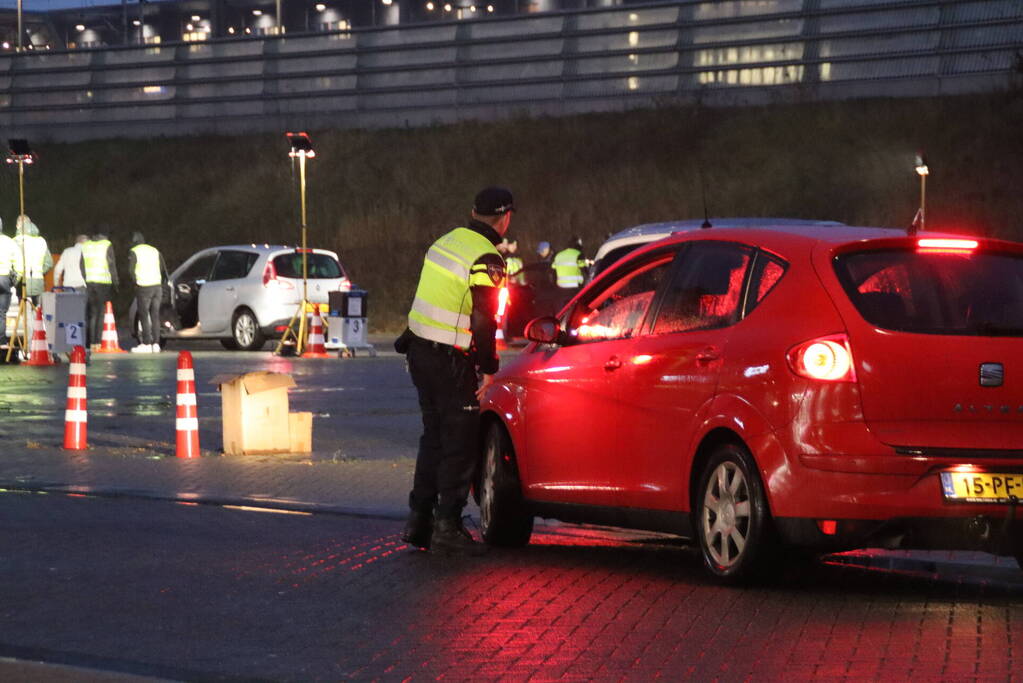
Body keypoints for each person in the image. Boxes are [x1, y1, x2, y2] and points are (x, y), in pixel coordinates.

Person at [395, 186, 513, 555]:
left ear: (474, 212)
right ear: (505, 218)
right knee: (459, 444)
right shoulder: (487, 257)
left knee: (433, 437)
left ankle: (419, 522)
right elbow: (483, 318)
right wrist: (488, 368)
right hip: (449, 358)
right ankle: (447, 524)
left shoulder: (445, 241)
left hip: (418, 351)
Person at [128, 231, 167, 353]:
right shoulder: (154, 250)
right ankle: (156, 343)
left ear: (134, 242)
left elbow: (130, 270)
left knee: (144, 315)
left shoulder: (134, 251)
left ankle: (146, 344)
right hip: (157, 286)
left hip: (144, 286)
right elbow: (163, 268)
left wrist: (136, 282)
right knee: (155, 315)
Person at [80, 227, 118, 350]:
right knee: (101, 313)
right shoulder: (106, 245)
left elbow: (81, 265)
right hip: (103, 282)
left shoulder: (86, 246)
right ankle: (99, 343)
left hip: (90, 282)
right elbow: (112, 264)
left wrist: (87, 278)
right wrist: (116, 282)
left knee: (93, 314)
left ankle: (91, 343)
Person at [12, 215, 53, 307]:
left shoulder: (15, 241)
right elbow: (49, 263)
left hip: (20, 283)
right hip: (38, 283)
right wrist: (38, 272)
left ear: (18, 225)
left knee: (22, 314)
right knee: (38, 314)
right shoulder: (41, 241)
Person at [0, 219, 15, 347]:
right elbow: (19, 264)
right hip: (4, 279)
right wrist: (15, 281)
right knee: (2, 313)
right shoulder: (10, 242)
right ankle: (1, 341)